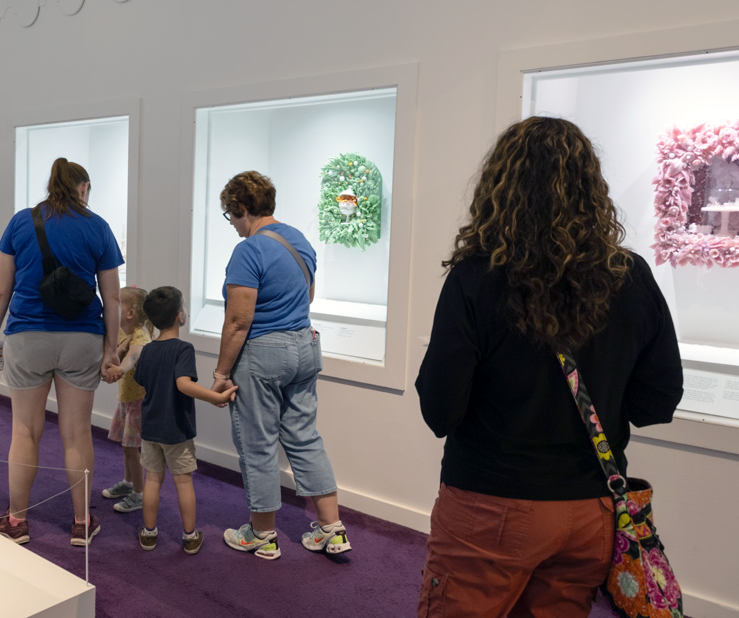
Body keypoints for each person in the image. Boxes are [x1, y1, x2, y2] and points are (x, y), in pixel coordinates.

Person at [415, 116, 684, 617]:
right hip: (591, 509)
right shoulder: (630, 275)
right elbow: (657, 401)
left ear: (500, 187)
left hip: (490, 502)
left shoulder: (477, 278)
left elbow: (439, 410)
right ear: (591, 188)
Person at [209, 171, 350, 561]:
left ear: (241, 209)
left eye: (230, 216)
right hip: (305, 346)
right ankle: (331, 530)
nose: (233, 225)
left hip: (264, 353)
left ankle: (262, 534)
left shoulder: (248, 251)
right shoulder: (298, 239)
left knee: (258, 444)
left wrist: (221, 374)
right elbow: (308, 295)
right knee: (304, 436)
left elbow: (238, 321)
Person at [0, 157, 122, 547]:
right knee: (77, 433)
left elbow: (0, 289)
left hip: (28, 337)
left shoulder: (21, 221)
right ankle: (81, 523)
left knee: (25, 430)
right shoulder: (97, 227)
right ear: (83, 188)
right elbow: (112, 298)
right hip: (82, 338)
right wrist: (111, 349)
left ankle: (17, 520)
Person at [133, 286, 237, 554]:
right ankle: (190, 536)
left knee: (152, 480)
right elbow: (182, 384)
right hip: (177, 429)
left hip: (150, 427)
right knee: (183, 481)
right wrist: (213, 397)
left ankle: (149, 533)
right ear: (180, 316)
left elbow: (143, 382)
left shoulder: (147, 350)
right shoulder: (183, 349)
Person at [101, 286, 153, 513]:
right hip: (126, 398)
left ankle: (139, 494)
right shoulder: (122, 331)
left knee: (132, 449)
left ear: (130, 312)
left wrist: (118, 369)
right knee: (126, 447)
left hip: (138, 402)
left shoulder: (141, 336)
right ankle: (129, 482)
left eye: (117, 303)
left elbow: (131, 359)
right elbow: (119, 350)